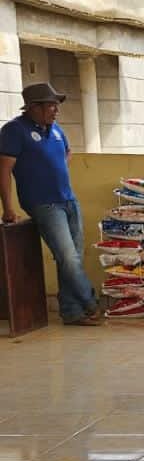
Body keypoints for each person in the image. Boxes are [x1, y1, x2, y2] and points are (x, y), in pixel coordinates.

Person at [0, 83, 100, 326]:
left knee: (73, 258)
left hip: (69, 200)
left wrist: (55, 169)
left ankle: (71, 312)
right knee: (68, 257)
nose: (56, 110)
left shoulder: (55, 129)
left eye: (56, 105)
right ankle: (90, 302)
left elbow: (67, 152)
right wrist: (8, 208)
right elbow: (3, 171)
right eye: (51, 105)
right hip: (44, 204)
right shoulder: (14, 130)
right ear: (33, 107)